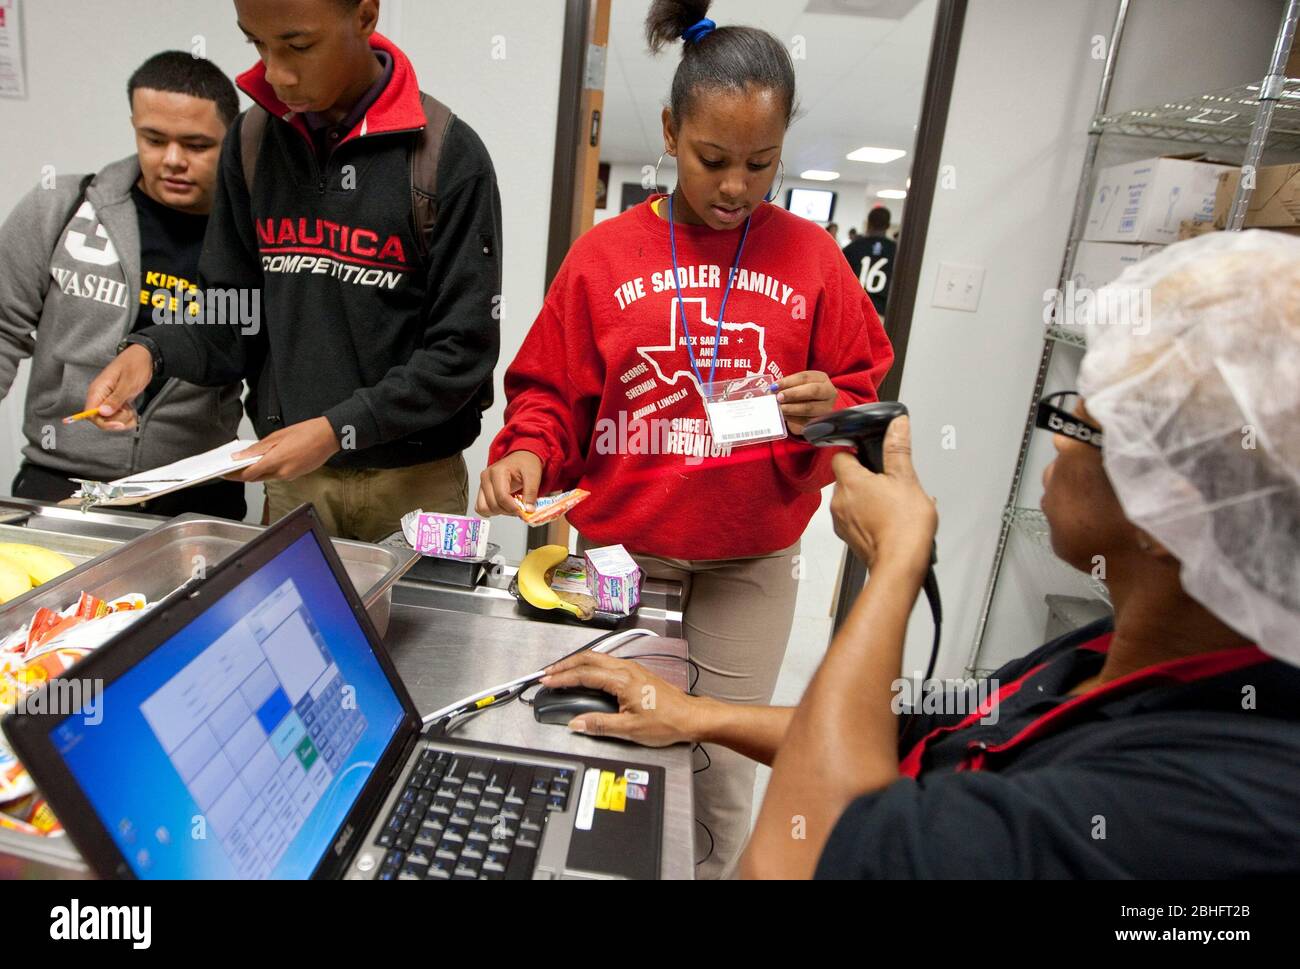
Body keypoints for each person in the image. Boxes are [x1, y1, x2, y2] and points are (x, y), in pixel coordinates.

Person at [538, 231, 1300, 879]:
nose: (1059, 440)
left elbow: (800, 859)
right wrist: (693, 713)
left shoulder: (1191, 807)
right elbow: (914, 735)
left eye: (1087, 423)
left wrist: (895, 564)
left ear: (1174, 514)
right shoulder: (1117, 653)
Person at [476, 0, 893, 878]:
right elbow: (552, 392)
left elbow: (863, 391)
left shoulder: (814, 259)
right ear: (671, 130)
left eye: (761, 163)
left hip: (750, 562)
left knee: (721, 770)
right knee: (613, 747)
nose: (736, 186)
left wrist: (830, 405)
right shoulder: (604, 255)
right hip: (626, 551)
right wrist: (527, 449)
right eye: (713, 159)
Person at [82, 0, 502, 542]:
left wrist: (336, 430)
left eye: (298, 46)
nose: (275, 73)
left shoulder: (446, 153)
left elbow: (462, 352)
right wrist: (150, 352)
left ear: (366, 17)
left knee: (418, 629)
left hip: (415, 481)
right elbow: (232, 320)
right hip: (294, 481)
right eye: (257, 44)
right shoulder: (251, 142)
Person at [0, 52, 247, 520]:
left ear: (231, 140)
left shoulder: (251, 239)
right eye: (154, 139)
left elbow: (264, 357)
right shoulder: (60, 208)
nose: (172, 160)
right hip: (60, 478)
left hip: (196, 494)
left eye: (196, 145)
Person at [842, 205, 897, 318]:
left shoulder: (853, 248)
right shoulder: (895, 250)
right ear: (887, 225)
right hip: (881, 312)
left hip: (853, 309)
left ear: (869, 223)